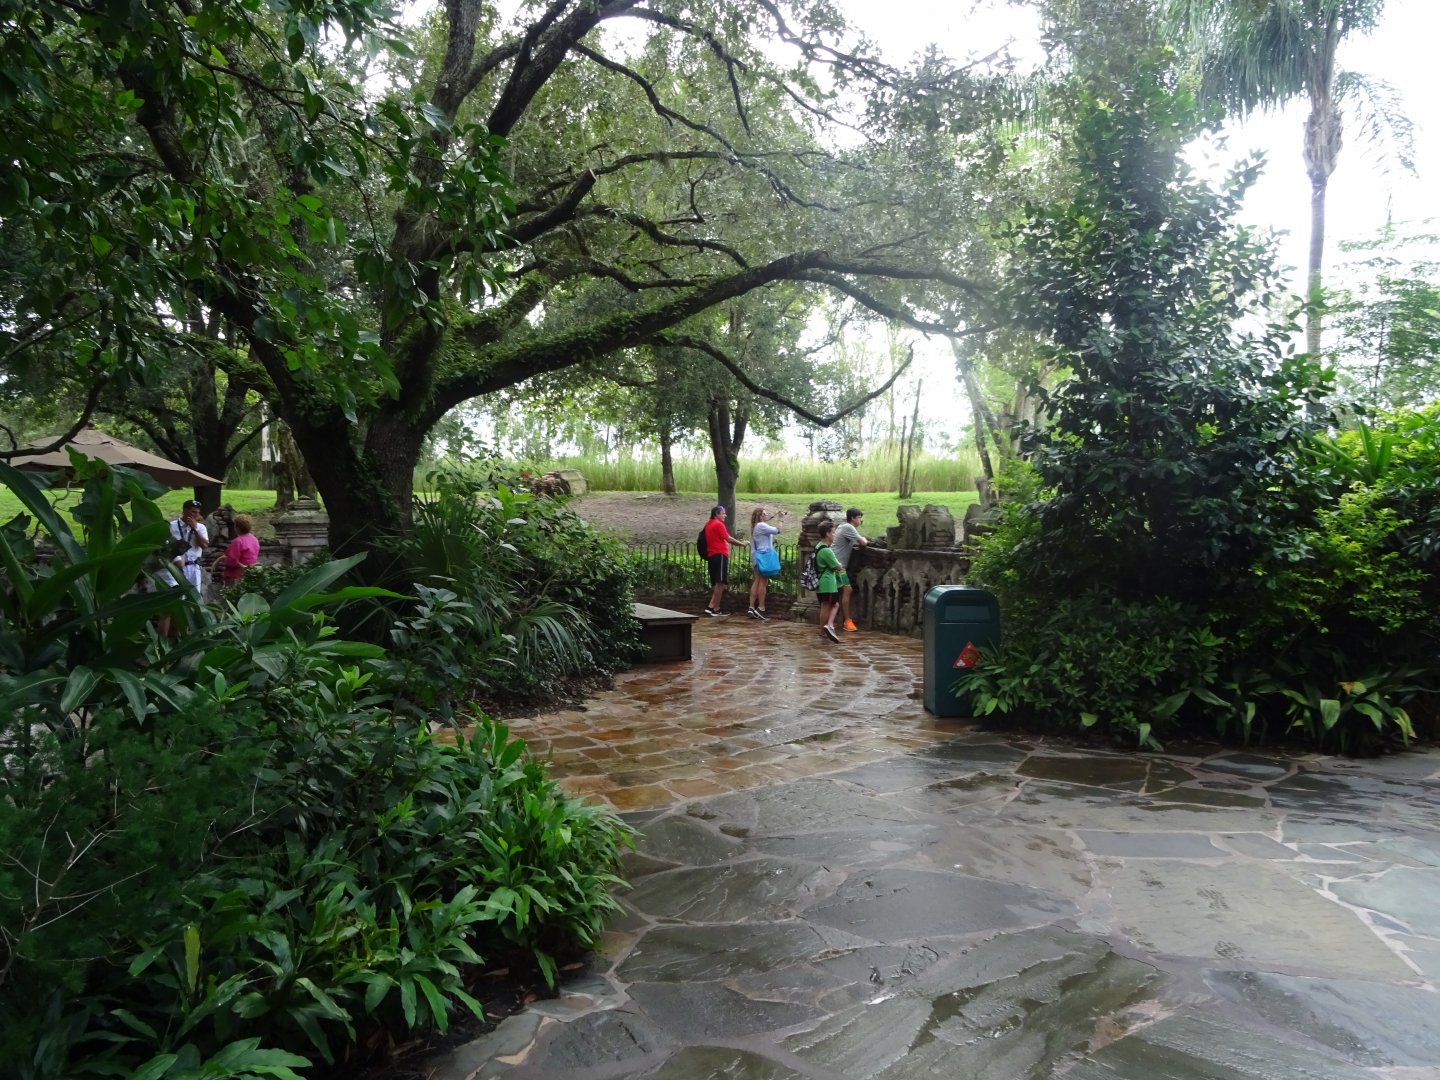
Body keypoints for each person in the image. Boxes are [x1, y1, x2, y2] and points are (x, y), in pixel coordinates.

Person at [702, 504, 749, 616]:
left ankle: (712, 607)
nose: (725, 515)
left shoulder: (708, 524)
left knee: (718, 583)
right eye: (723, 513)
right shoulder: (718, 524)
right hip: (720, 555)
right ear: (716, 514)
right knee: (721, 583)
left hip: (712, 555)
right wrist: (742, 544)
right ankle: (715, 609)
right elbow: (728, 538)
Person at [831, 507, 868, 632]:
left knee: (836, 592)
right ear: (852, 518)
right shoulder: (848, 527)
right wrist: (865, 539)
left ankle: (834, 621)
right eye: (859, 518)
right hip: (838, 566)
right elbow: (863, 542)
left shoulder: (842, 527)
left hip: (834, 564)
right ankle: (847, 621)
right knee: (847, 590)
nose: (860, 521)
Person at [746, 507, 786, 620]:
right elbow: (778, 530)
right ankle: (761, 608)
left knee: (757, 580)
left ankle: (751, 607)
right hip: (763, 557)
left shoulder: (757, 527)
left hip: (756, 556)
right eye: (764, 513)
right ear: (760, 516)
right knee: (763, 581)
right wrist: (780, 519)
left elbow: (764, 539)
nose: (767, 514)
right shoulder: (761, 526)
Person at [166, 498, 210, 592]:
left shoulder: (200, 527)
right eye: (193, 512)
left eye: (197, 513)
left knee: (195, 596)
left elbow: (204, 545)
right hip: (176, 567)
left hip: (194, 567)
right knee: (178, 595)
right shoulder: (172, 526)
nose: (196, 515)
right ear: (185, 511)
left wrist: (195, 529)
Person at [814, 520, 845, 643]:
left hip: (822, 582)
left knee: (825, 606)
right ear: (827, 534)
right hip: (828, 583)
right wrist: (840, 565)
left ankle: (823, 631)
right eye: (833, 532)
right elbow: (837, 566)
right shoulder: (826, 551)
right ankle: (829, 625)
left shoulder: (818, 546)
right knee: (835, 604)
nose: (835, 535)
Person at [217, 513, 259, 591]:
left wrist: (225, 560)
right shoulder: (254, 539)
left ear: (236, 527)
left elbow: (232, 561)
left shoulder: (238, 541)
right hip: (250, 573)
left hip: (236, 576)